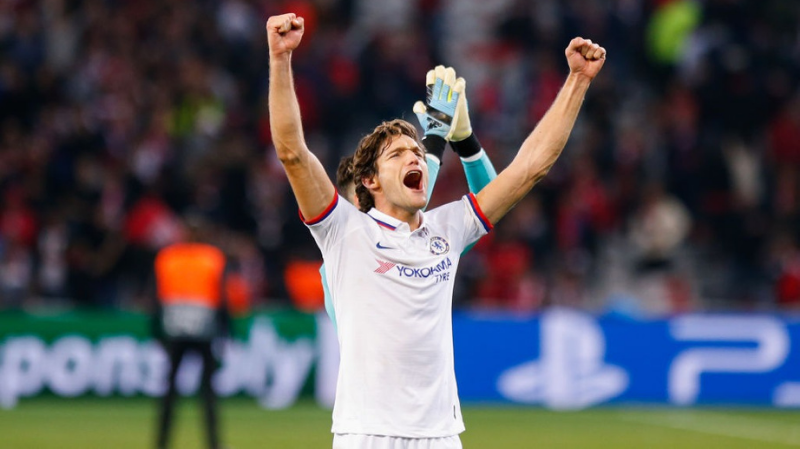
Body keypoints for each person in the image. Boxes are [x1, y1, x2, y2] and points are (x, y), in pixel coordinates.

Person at [267, 12, 606, 449]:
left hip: (441, 437)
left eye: (416, 151)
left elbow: (529, 169)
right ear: (368, 181)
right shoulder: (343, 231)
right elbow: (293, 153)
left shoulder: (447, 230)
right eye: (397, 155)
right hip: (366, 434)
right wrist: (280, 58)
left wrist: (578, 80)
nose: (414, 158)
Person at [321, 64, 499, 332]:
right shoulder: (339, 257)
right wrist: (436, 138)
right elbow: (395, 211)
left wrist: (465, 140)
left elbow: (493, 201)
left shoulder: (428, 242)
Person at [152, 215, 230, 449]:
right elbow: (222, 299)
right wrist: (226, 331)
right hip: (203, 330)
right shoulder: (211, 257)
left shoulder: (168, 257)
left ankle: (162, 443)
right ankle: (213, 444)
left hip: (176, 331)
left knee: (172, 392)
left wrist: (157, 331)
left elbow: (156, 298)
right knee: (206, 393)